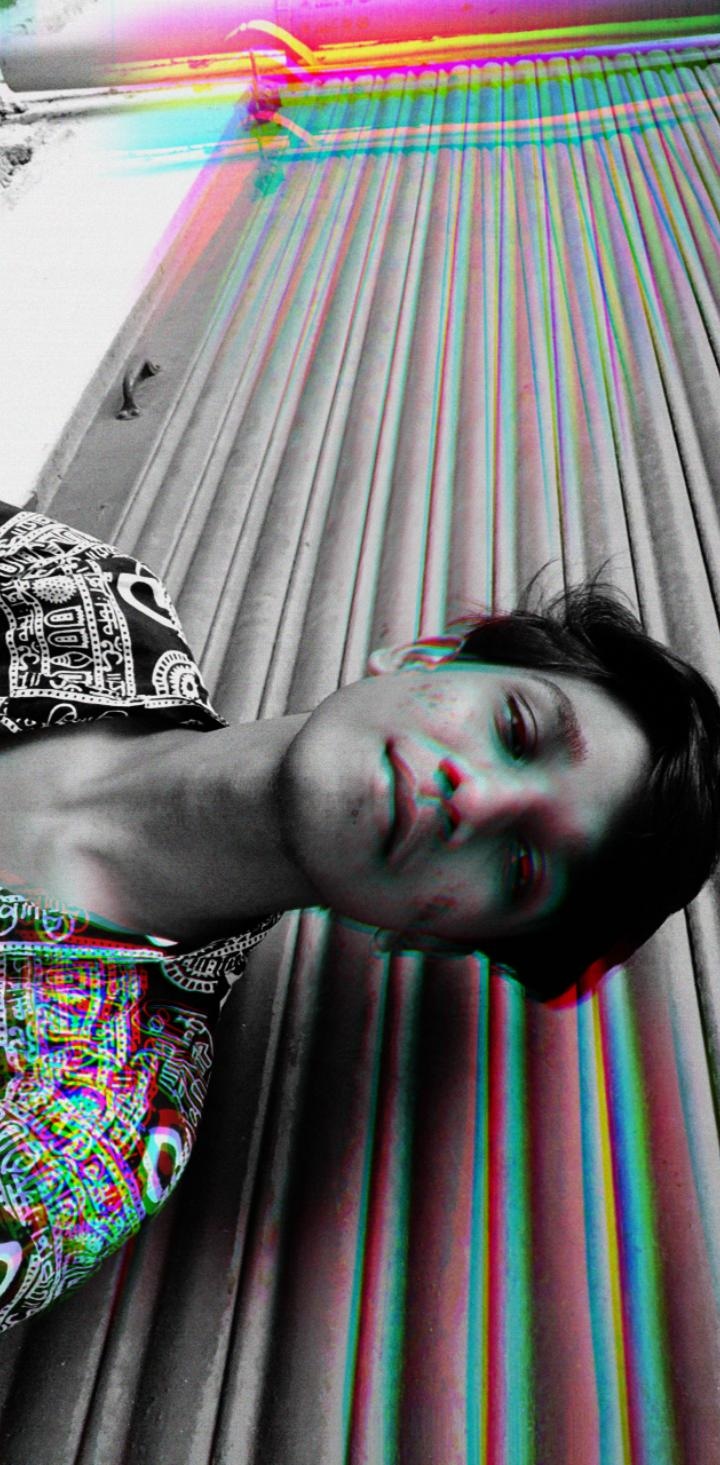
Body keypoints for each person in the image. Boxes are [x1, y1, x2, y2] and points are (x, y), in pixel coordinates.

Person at [0, 500, 717, 1333]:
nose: (477, 799)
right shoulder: (65, 589)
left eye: (519, 865)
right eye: (515, 730)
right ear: (421, 657)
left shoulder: (81, 1136)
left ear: (431, 934)